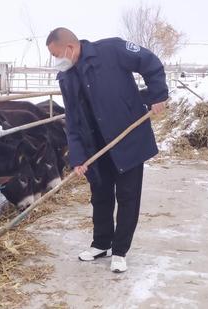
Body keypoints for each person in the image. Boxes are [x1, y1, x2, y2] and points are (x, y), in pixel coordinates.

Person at [46, 27, 168, 273]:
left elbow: (150, 62)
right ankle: (102, 243)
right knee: (100, 196)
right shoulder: (66, 77)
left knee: (127, 197)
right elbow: (72, 119)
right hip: (95, 147)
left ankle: (120, 250)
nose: (56, 61)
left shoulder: (111, 50)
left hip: (127, 139)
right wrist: (78, 156)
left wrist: (158, 95)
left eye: (56, 54)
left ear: (69, 48)